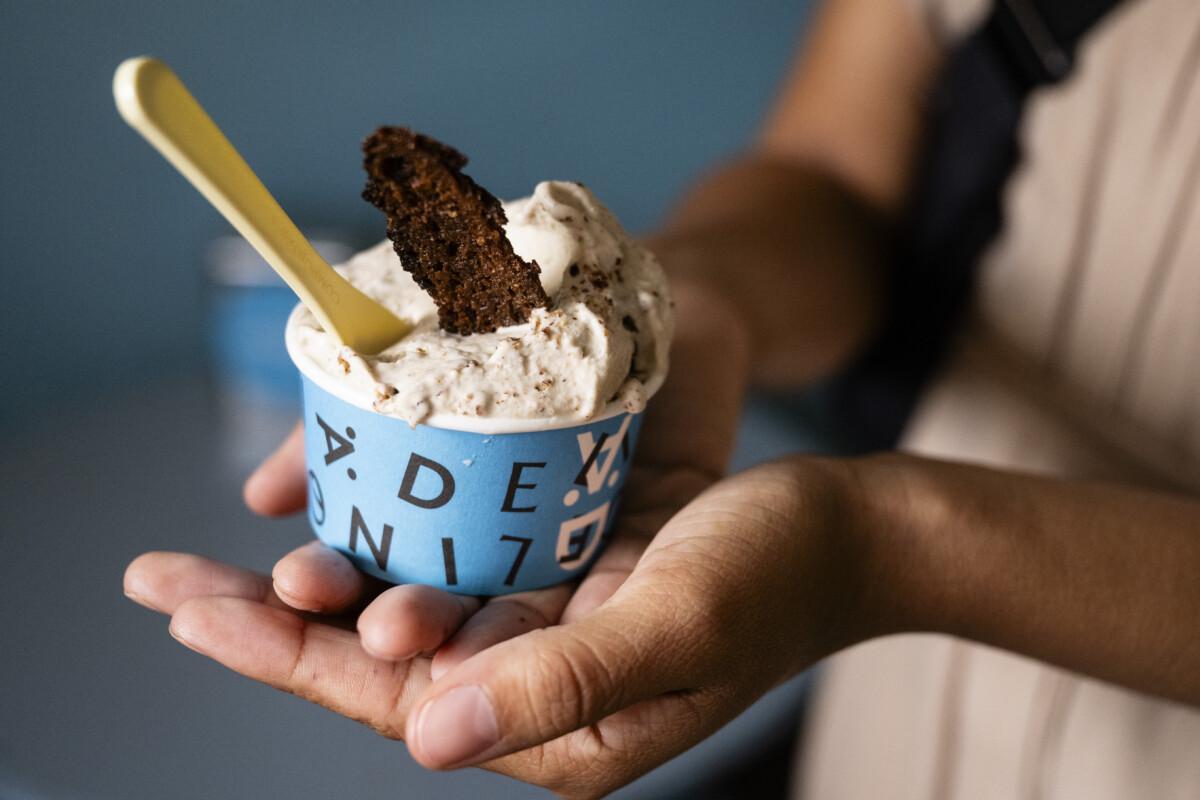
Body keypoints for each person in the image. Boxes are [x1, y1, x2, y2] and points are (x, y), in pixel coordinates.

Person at [124, 0, 1200, 796]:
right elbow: (833, 180)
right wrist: (687, 309)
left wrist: (885, 547)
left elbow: (876, 550)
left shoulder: (878, 548)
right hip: (892, 726)